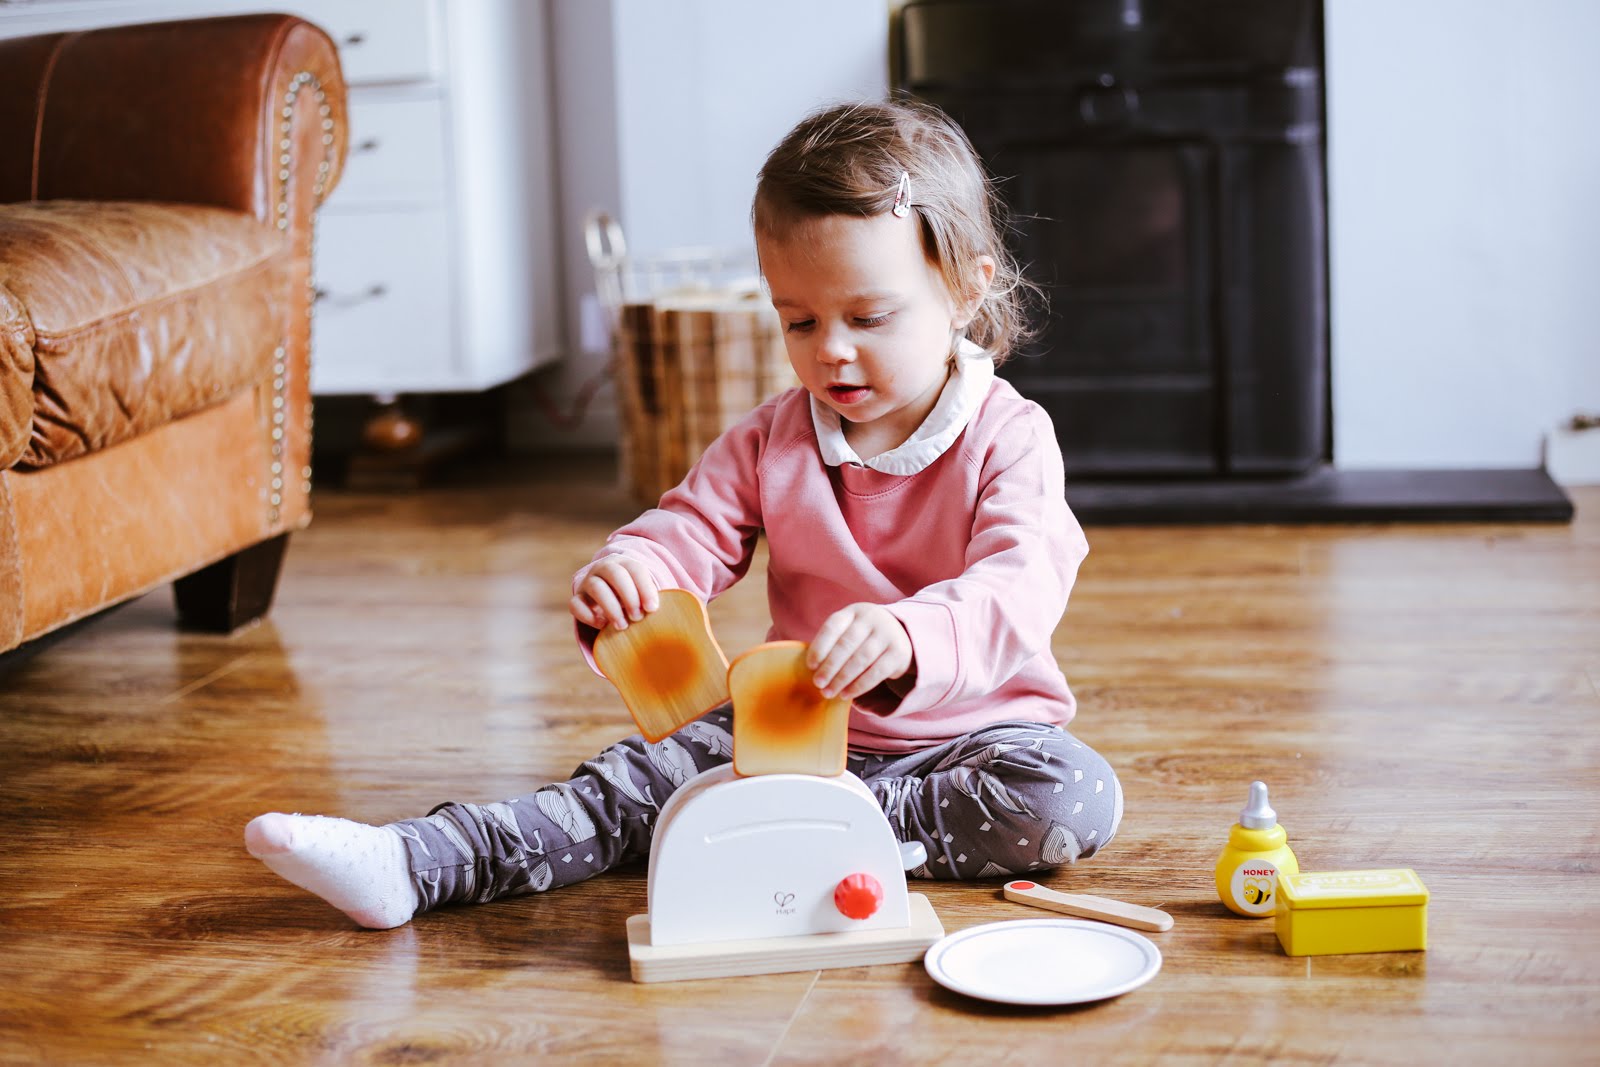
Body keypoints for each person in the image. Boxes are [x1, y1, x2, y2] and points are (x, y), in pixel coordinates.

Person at [245, 100, 1121, 930]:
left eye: (868, 316)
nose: (831, 350)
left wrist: (909, 635)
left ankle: (799, 824)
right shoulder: (774, 437)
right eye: (799, 321)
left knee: (1071, 796)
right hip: (791, 724)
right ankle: (415, 862)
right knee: (619, 786)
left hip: (971, 739)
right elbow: (691, 528)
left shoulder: (1011, 435)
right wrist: (636, 571)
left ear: (965, 289)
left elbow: (1019, 584)